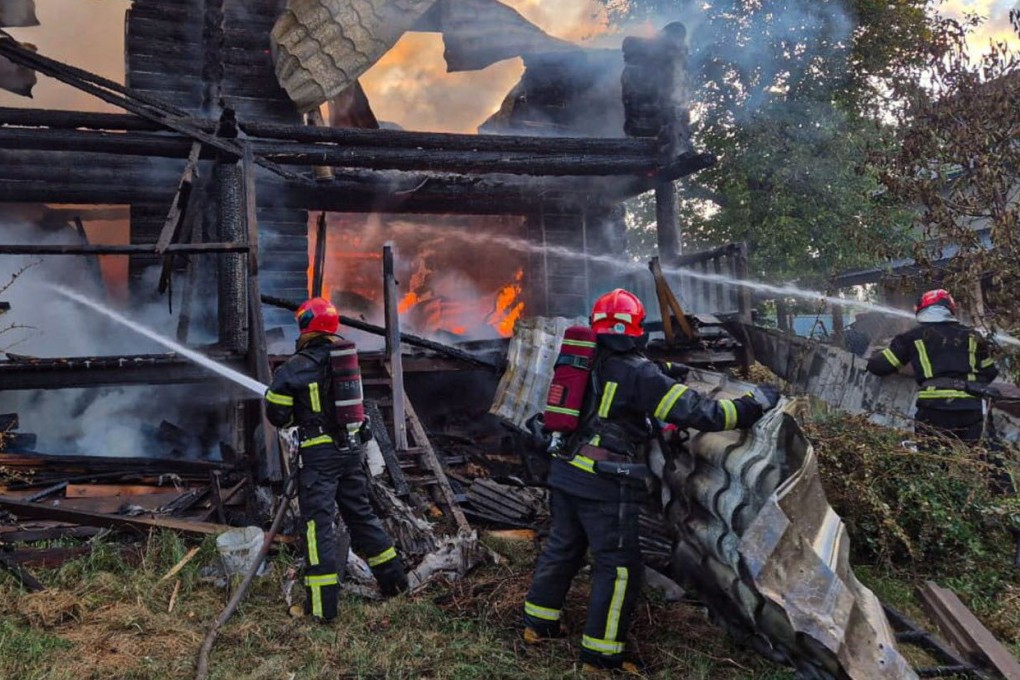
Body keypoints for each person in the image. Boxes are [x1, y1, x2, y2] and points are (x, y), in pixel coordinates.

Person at [522, 288, 781, 675]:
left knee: (563, 548)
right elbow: (702, 412)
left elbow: (621, 386)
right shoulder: (638, 373)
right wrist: (754, 403)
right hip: (605, 484)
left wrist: (664, 373)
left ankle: (537, 625)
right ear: (637, 328)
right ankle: (601, 656)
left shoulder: (584, 357)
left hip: (566, 472)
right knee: (620, 567)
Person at [265, 297, 408, 622]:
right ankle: (396, 584)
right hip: (351, 451)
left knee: (317, 527)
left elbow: (278, 416)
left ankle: (321, 606)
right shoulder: (346, 357)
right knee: (361, 515)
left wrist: (279, 398)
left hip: (320, 457)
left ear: (306, 326)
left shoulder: (294, 367)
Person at [866, 289, 998, 443]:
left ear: (922, 310)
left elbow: (880, 367)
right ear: (950, 309)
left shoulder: (912, 337)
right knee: (980, 460)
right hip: (972, 408)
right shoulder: (973, 336)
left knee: (936, 459)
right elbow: (990, 372)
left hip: (935, 409)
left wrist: (876, 355)